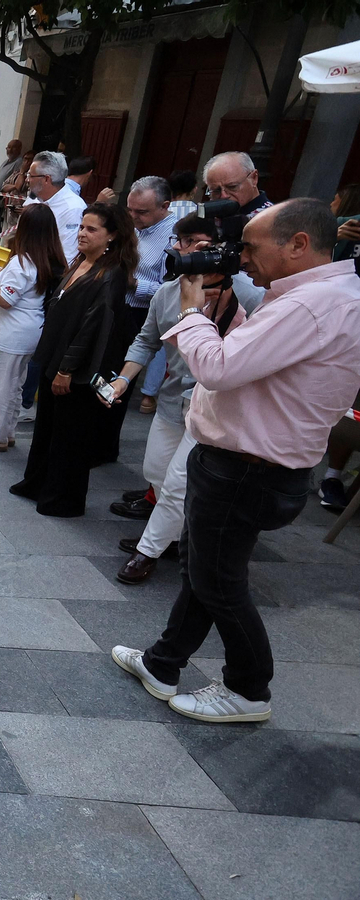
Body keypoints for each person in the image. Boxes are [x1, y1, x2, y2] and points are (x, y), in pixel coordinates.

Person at [112, 199, 360, 723]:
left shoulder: (310, 305)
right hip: (251, 462)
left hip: (248, 467)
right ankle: (162, 663)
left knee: (218, 584)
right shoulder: (317, 296)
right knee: (205, 572)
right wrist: (227, 314)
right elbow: (260, 361)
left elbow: (219, 368)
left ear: (298, 244)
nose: (241, 257)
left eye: (251, 246)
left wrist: (190, 311)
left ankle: (248, 690)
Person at [103, 215, 260, 584]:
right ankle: (177, 534)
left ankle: (147, 552)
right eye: (180, 239)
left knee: (177, 482)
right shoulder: (167, 292)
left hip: (215, 407)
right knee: (155, 471)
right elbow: (146, 341)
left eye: (194, 242)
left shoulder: (249, 294)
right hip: (173, 400)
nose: (181, 248)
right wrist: (123, 380)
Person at [9, 202, 133, 517]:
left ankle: (63, 498)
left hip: (76, 368)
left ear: (111, 236)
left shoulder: (111, 274)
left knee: (69, 435)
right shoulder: (80, 261)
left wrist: (67, 368)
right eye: (81, 227)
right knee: (47, 427)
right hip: (53, 355)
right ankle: (37, 483)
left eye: (91, 229)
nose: (82, 234)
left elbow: (94, 327)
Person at [94, 176, 179, 468]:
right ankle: (94, 437)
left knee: (119, 376)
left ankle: (105, 447)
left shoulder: (175, 237)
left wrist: (133, 284)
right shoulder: (133, 227)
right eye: (130, 209)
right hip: (115, 307)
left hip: (139, 313)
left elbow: (172, 290)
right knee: (102, 371)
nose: (133, 217)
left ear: (164, 206)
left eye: (141, 212)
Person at [0, 204, 66, 451]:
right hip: (31, 330)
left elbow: (5, 299)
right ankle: (6, 432)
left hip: (12, 333)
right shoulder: (48, 260)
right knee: (14, 386)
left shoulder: (23, 262)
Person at [23, 151, 87, 264]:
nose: (27, 180)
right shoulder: (34, 200)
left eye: (31, 176)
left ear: (46, 179)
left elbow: (68, 257)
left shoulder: (73, 208)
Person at [203, 150, 273, 218]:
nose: (224, 196)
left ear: (253, 178)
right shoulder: (211, 216)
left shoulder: (270, 218)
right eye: (216, 190)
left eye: (232, 187)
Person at [0, 139, 24, 234]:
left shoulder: (19, 162)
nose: (10, 150)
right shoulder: (6, 162)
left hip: (4, 199)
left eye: (13, 148)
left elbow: (15, 181)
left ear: (19, 149)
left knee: (1, 226)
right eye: (8, 147)